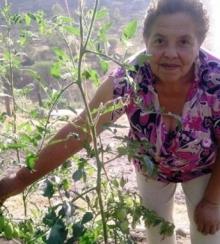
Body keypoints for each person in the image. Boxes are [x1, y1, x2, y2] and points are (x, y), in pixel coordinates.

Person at [1, 0, 220, 243]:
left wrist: (212, 201)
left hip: (205, 169)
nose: (170, 52)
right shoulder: (128, 78)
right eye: (159, 40)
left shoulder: (215, 80)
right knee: (158, 235)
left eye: (183, 41)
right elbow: (81, 130)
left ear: (199, 43)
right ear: (146, 41)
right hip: (152, 170)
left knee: (208, 234)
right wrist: (19, 180)